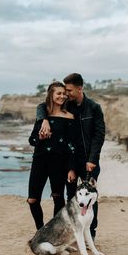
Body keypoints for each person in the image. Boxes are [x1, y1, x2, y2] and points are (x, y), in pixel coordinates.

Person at [36, 73, 105, 240]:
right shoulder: (68, 105)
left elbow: (99, 135)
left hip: (89, 162)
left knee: (89, 200)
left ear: (79, 89)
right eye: (65, 90)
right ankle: (74, 234)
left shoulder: (94, 108)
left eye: (69, 90)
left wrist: (92, 159)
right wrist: (43, 120)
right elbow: (42, 106)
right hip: (71, 162)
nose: (66, 94)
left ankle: (91, 236)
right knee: (71, 198)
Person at [27, 81, 76, 230]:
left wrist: (71, 168)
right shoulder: (42, 117)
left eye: (63, 93)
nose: (62, 96)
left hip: (59, 162)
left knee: (58, 198)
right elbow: (32, 140)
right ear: (51, 95)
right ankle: (40, 230)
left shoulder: (69, 117)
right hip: (39, 161)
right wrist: (41, 136)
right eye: (58, 93)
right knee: (32, 200)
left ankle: (54, 233)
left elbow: (71, 146)